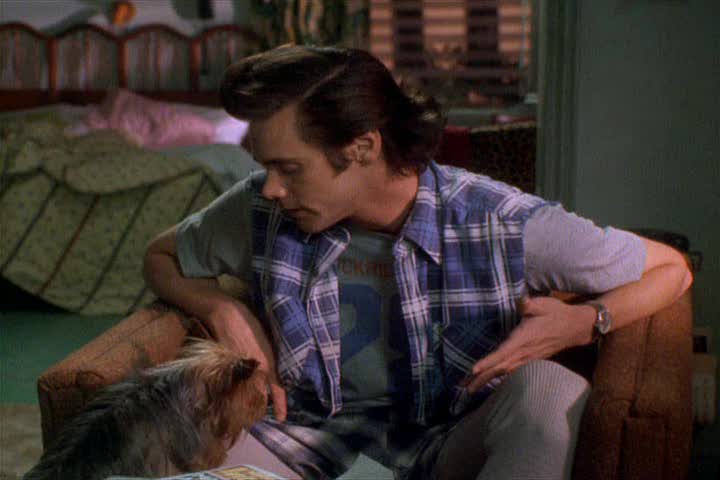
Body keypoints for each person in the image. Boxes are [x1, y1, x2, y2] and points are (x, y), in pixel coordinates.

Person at [143, 45, 693, 480]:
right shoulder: (260, 209)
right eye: (264, 167)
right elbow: (161, 255)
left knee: (551, 389)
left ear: (362, 147)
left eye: (289, 168)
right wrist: (223, 311)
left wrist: (585, 320)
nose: (272, 187)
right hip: (303, 441)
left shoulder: (498, 220)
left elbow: (672, 268)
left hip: (448, 441)